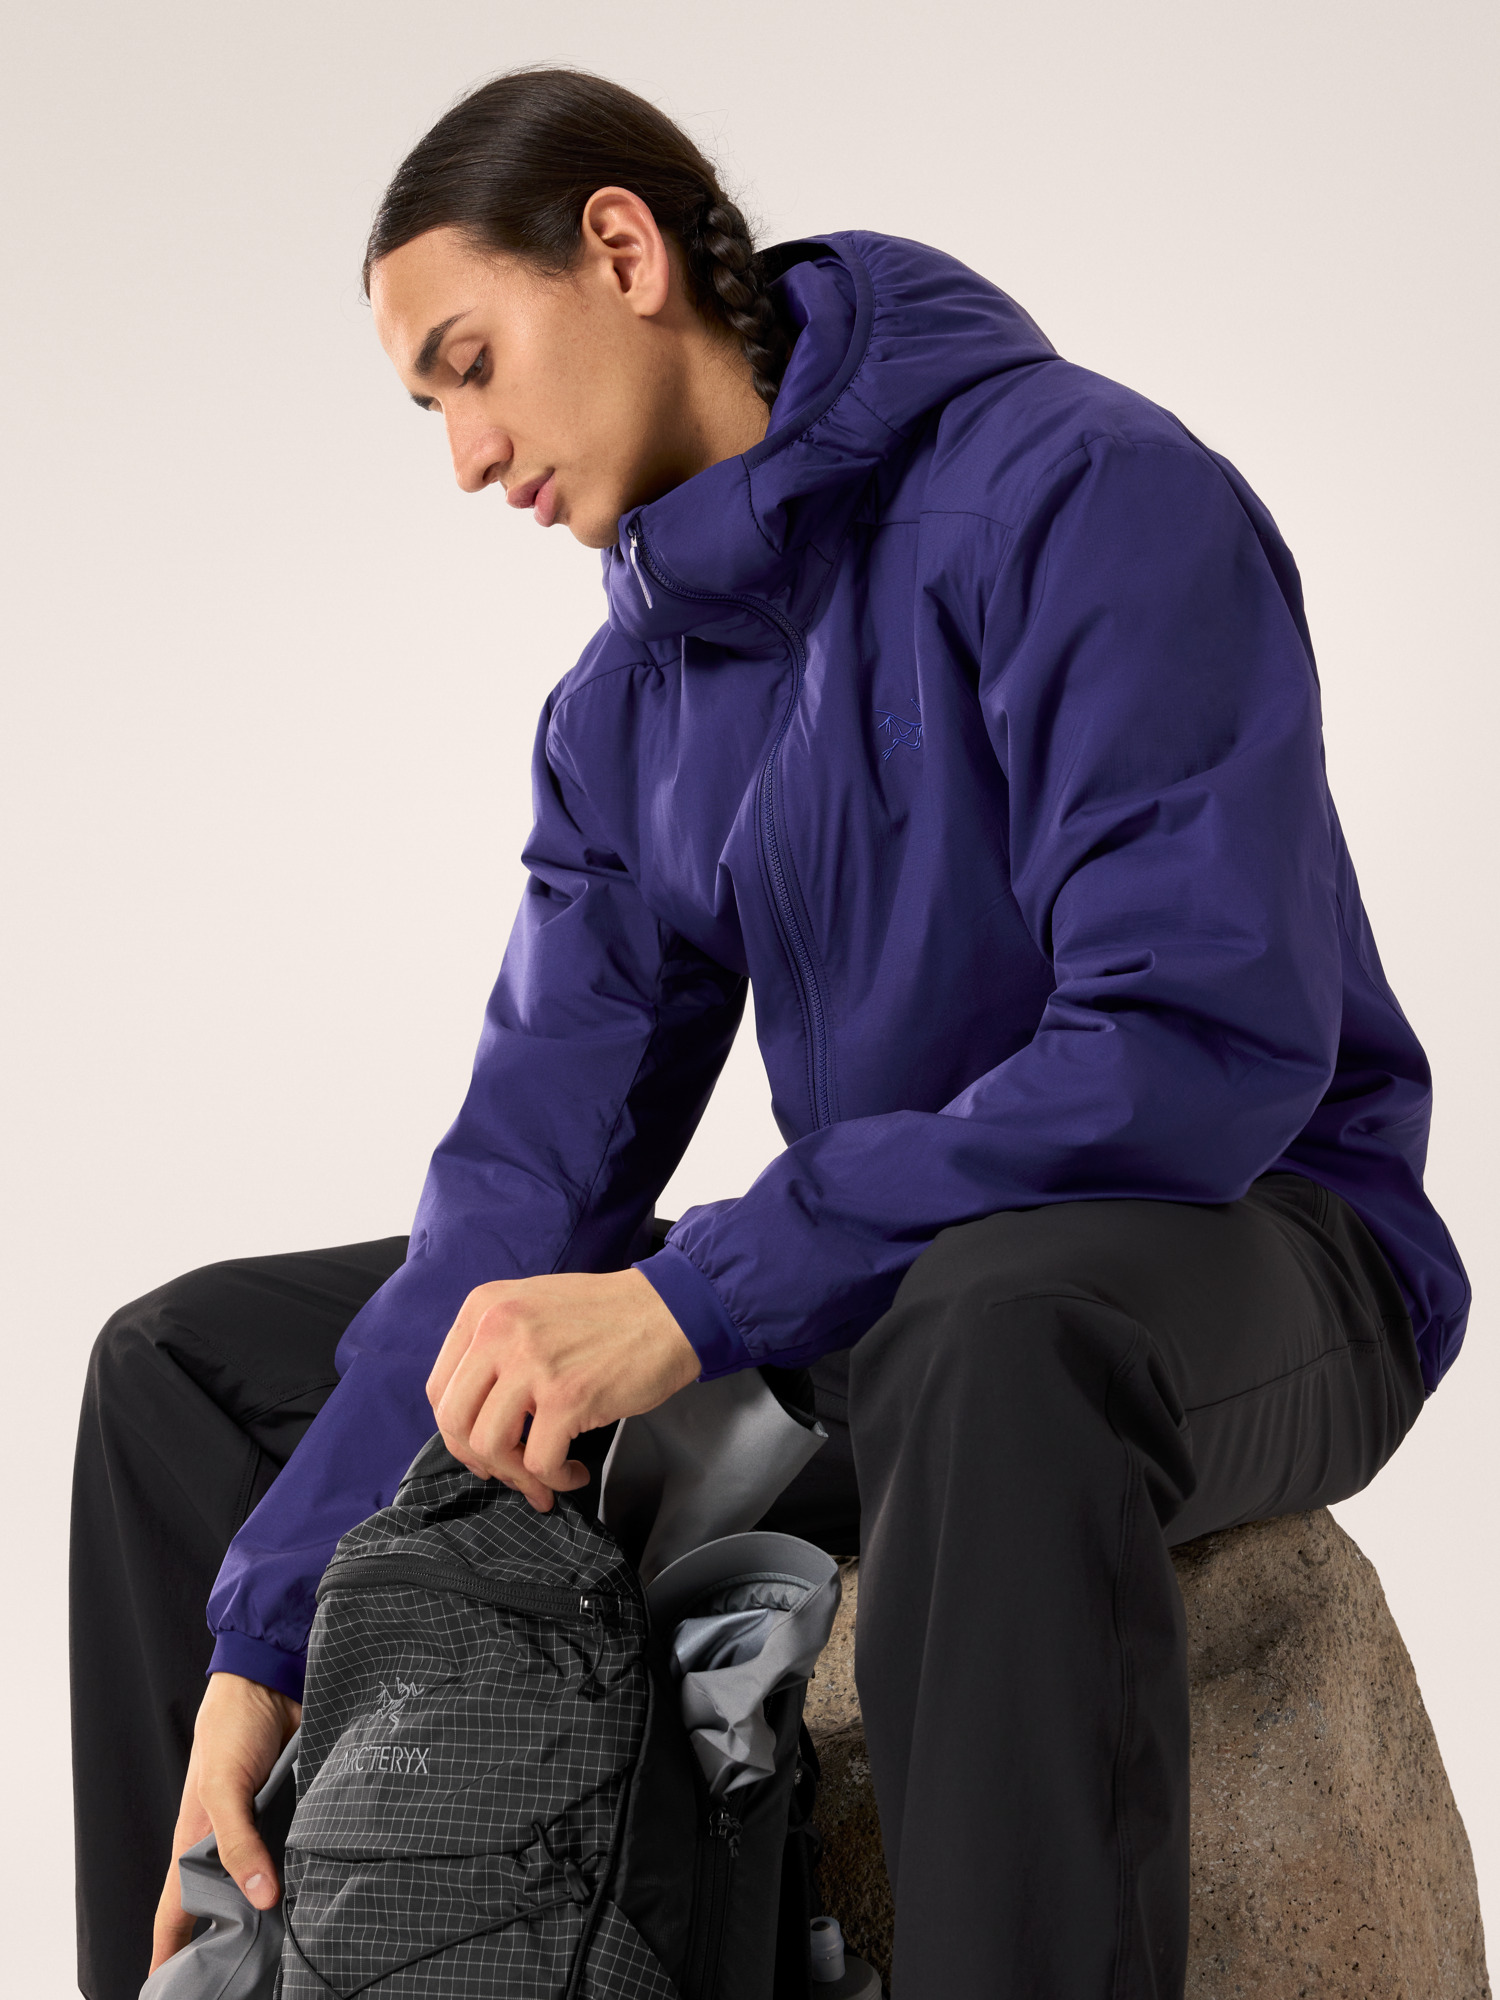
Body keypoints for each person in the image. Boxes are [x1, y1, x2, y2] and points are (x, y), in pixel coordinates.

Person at [71, 66, 1469, 2000]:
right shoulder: (625, 708)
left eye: (471, 366)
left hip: (1255, 1242)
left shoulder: (1083, 494)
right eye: (428, 407)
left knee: (996, 1329)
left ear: (621, 250)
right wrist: (262, 1636)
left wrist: (703, 1294)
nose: (465, 457)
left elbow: (1193, 1042)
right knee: (187, 1372)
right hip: (884, 1284)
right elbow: (527, 1188)